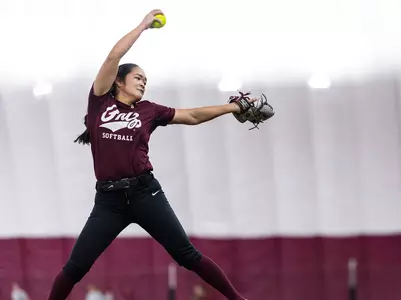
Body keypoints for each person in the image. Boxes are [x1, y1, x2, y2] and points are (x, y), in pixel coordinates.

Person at [46, 9, 252, 300]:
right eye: (138, 77)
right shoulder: (100, 102)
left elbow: (191, 116)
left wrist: (234, 108)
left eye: (146, 79)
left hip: (145, 194)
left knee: (187, 255)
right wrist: (142, 26)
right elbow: (112, 58)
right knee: (76, 267)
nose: (143, 82)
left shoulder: (149, 111)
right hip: (109, 202)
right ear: (119, 81)